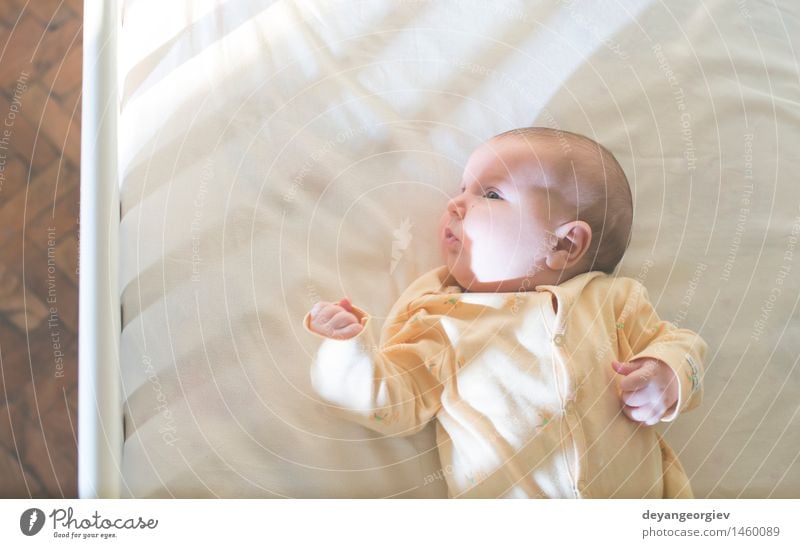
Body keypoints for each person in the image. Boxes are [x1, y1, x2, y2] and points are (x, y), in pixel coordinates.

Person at [303, 127, 706, 498]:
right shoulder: (445, 318)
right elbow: (393, 402)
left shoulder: (612, 301)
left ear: (564, 245)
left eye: (491, 194)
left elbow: (684, 345)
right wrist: (348, 351)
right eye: (463, 188)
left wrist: (665, 374)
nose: (456, 203)